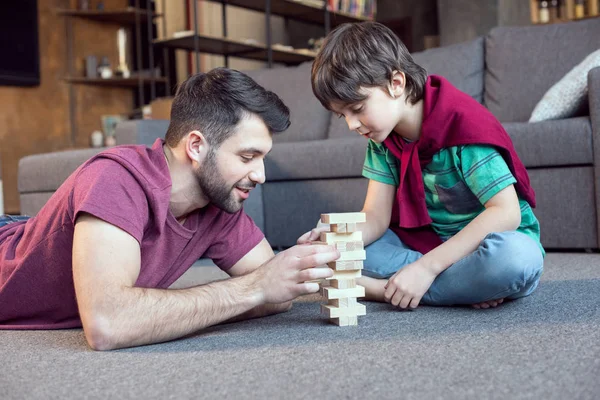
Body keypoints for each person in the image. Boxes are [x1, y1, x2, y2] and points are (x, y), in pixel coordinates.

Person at [0, 68, 339, 350]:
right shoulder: (116, 179)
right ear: (196, 146)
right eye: (247, 157)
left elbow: (275, 293)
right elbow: (107, 323)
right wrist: (253, 289)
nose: (260, 175)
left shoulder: (219, 201)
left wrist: (306, 262)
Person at [299, 22, 544, 310]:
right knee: (344, 256)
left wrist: (427, 268)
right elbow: (375, 217)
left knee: (514, 259)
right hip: (427, 243)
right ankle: (458, 285)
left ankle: (382, 289)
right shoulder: (381, 138)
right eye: (343, 116)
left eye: (357, 109)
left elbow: (506, 213)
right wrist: (337, 239)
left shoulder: (464, 127)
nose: (352, 124)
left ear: (396, 83)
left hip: (487, 244)